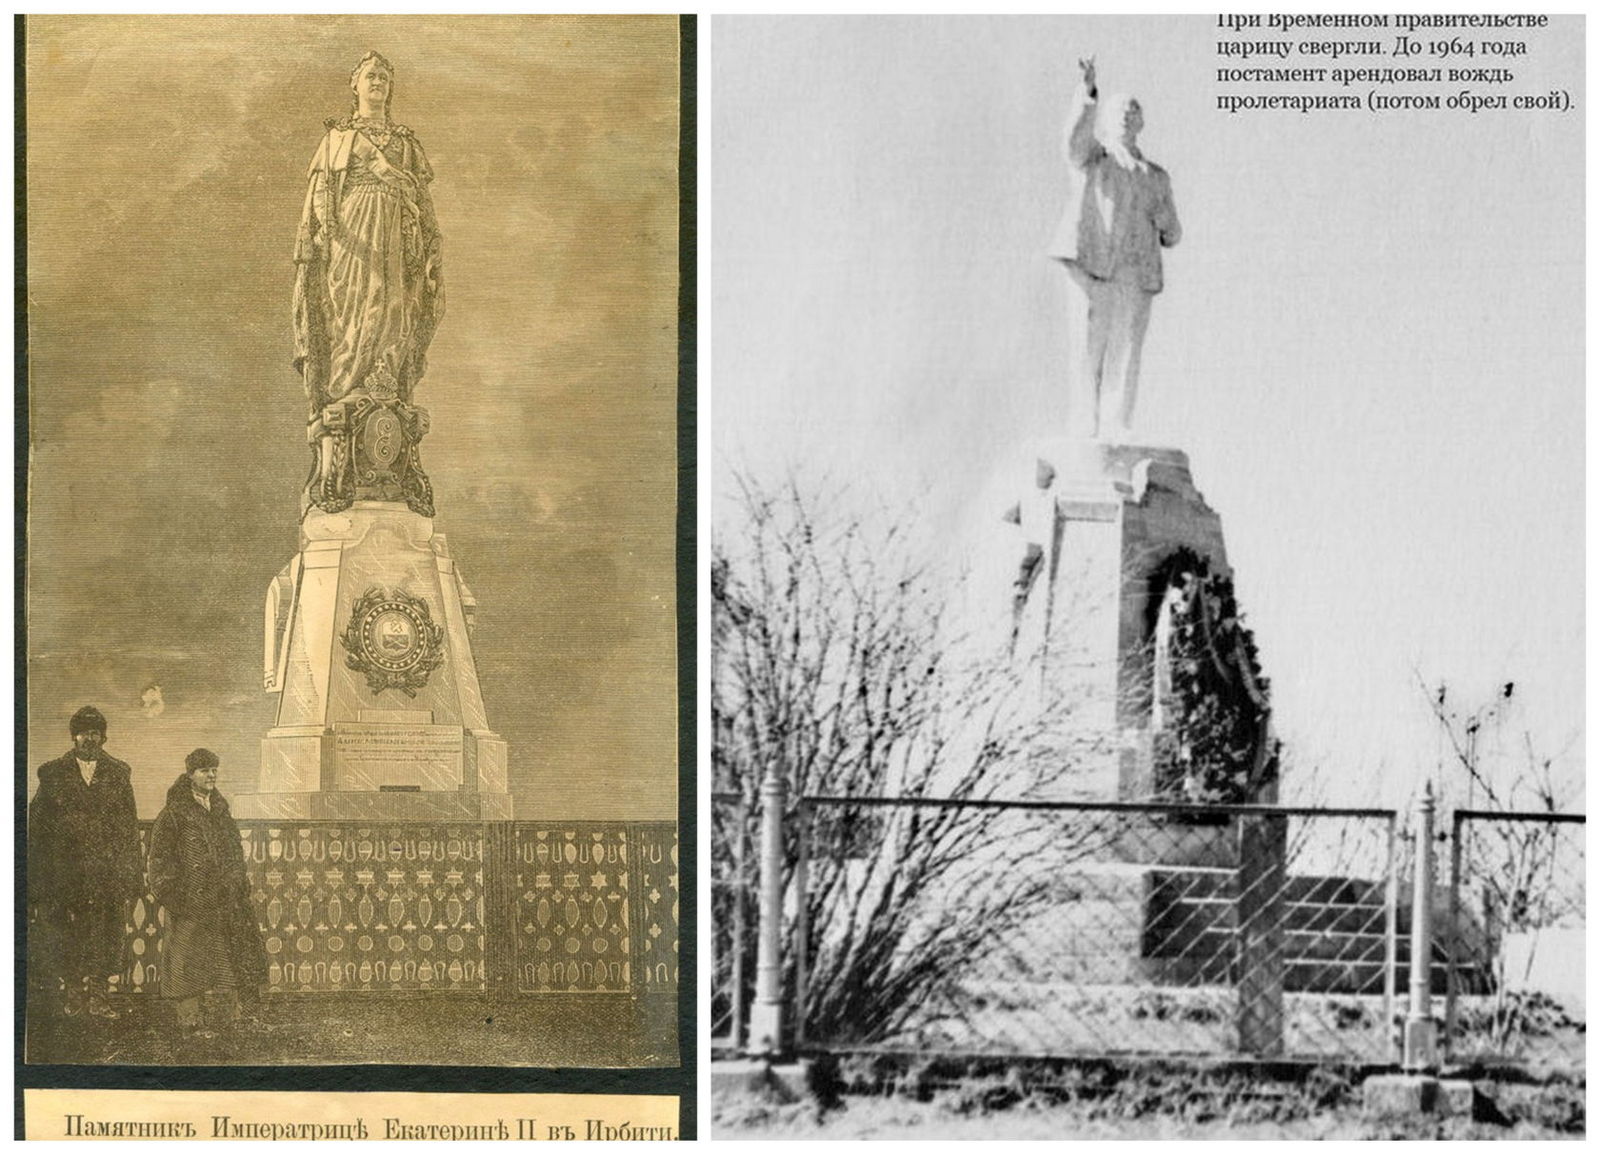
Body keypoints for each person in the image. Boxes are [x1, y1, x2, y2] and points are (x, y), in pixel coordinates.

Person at [292, 50, 444, 501]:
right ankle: (346, 389)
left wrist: (432, 244)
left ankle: (386, 383)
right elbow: (321, 196)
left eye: (383, 76)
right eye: (369, 75)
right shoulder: (338, 138)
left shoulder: (406, 142)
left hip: (399, 237)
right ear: (354, 85)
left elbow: (425, 203)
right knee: (350, 311)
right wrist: (322, 241)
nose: (377, 82)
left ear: (389, 88)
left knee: (396, 308)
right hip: (352, 236)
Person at [1047, 58, 1181, 441]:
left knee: (1126, 348)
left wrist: (1161, 218)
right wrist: (1087, 95)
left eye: (1133, 110)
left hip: (1135, 270)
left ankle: (1116, 421)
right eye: (1120, 110)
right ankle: (1084, 420)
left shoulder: (1156, 177)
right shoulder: (1095, 157)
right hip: (1092, 261)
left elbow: (1173, 233)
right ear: (1106, 120)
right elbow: (1073, 145)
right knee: (1088, 346)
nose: (1127, 115)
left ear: (1141, 122)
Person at [28, 706, 144, 1020]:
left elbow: (129, 830)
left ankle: (99, 999)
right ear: (74, 736)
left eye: (94, 732)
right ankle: (75, 997)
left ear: (103, 737)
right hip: (66, 878)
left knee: (105, 938)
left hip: (106, 877)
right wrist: (38, 882)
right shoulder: (52, 774)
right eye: (82, 732)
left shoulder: (119, 773)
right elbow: (37, 831)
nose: (89, 738)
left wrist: (132, 878)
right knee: (68, 937)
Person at [147, 749, 266, 1037]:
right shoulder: (174, 813)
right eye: (204, 771)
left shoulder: (220, 810)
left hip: (225, 900)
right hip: (191, 901)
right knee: (188, 961)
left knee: (230, 957)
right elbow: (158, 862)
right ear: (190, 775)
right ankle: (191, 1022)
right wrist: (176, 898)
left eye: (213, 770)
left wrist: (238, 886)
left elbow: (235, 853)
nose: (211, 775)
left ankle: (235, 1017)